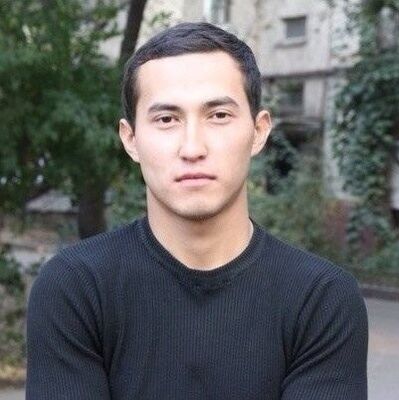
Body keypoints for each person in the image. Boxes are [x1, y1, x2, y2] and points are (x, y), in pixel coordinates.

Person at [26, 22, 368, 399]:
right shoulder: (76, 288)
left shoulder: (320, 299)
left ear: (259, 131)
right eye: (166, 119)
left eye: (218, 115)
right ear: (131, 139)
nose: (192, 148)